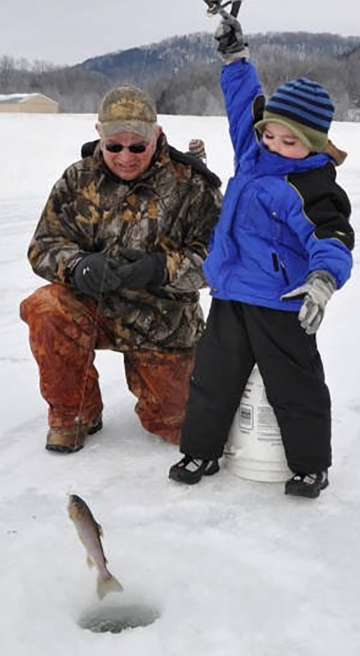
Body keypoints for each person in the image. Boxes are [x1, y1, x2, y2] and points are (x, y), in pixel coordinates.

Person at [169, 12, 354, 500]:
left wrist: (323, 279)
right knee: (213, 378)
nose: (274, 144)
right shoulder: (255, 155)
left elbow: (332, 237)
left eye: (289, 141)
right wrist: (234, 58)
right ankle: (201, 451)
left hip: (282, 301)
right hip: (232, 293)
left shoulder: (312, 187)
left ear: (313, 145)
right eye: (271, 133)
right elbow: (241, 106)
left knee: (295, 387)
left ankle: (311, 465)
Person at [20, 85, 223, 453]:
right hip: (96, 306)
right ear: (99, 135)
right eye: (114, 146)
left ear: (156, 136)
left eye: (137, 146)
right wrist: (79, 266)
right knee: (46, 306)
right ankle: (75, 412)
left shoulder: (192, 185)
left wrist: (161, 268)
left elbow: (221, 261)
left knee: (176, 426)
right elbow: (43, 246)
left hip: (164, 318)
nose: (125, 156)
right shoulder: (77, 179)